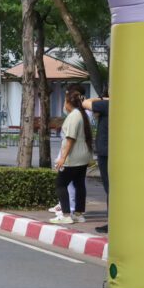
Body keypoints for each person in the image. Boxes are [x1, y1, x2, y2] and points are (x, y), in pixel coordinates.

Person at [50, 90, 93, 225]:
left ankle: (66, 214)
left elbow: (70, 139)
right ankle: (79, 214)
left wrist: (63, 157)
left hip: (73, 157)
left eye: (65, 101)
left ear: (69, 102)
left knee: (60, 184)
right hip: (83, 156)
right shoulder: (82, 114)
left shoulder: (74, 116)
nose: (64, 104)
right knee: (79, 184)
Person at [83, 92, 110, 234]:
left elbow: (85, 103)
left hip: (106, 152)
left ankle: (113, 222)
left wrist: (102, 98)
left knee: (110, 188)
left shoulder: (108, 105)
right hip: (113, 151)